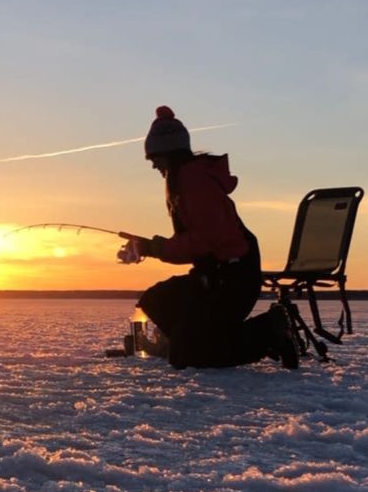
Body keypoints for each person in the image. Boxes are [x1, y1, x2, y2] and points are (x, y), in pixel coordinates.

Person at [119, 106, 299, 369]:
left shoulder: (193, 181)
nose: (154, 165)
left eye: (155, 158)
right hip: (213, 276)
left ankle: (267, 332)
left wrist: (154, 247)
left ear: (169, 153)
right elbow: (195, 240)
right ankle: (186, 339)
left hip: (232, 280)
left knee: (190, 356)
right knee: (156, 300)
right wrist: (148, 247)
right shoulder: (183, 179)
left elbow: (204, 240)